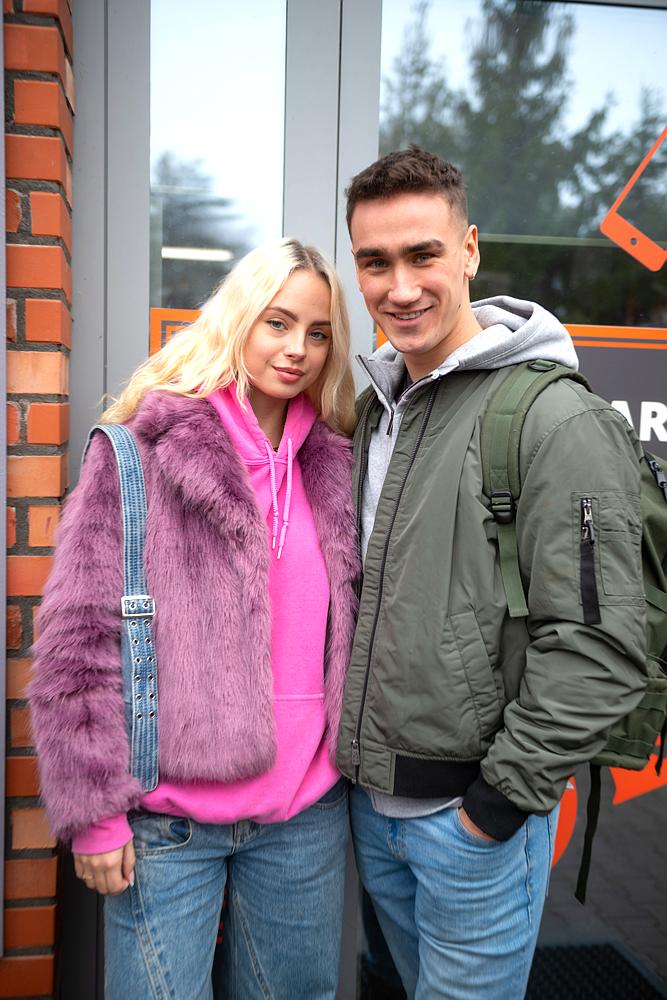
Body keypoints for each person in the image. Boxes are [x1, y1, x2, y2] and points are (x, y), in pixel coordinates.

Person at [336, 146, 648, 999]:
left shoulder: (552, 417)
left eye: (423, 255)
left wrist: (494, 808)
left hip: (470, 824)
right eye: (375, 262)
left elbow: (599, 645)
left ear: (468, 250)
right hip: (370, 809)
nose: (400, 286)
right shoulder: (375, 411)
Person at [29, 238, 361, 1000]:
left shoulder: (334, 462)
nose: (298, 349)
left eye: (318, 333)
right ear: (237, 319)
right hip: (167, 824)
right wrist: (94, 815)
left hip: (302, 818)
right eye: (278, 322)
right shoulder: (140, 453)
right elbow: (77, 648)